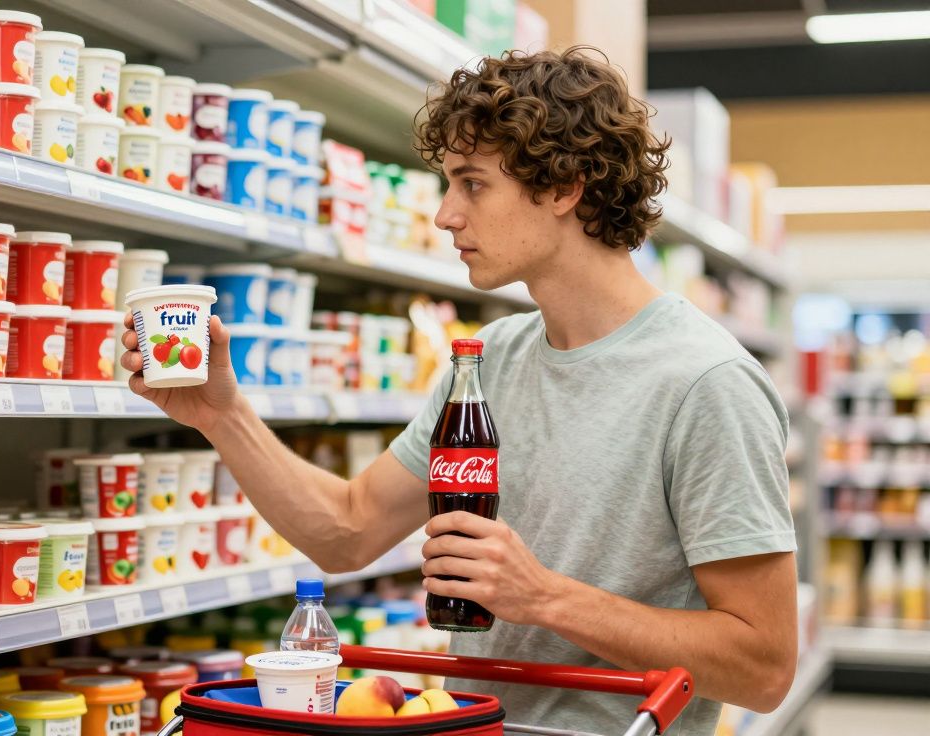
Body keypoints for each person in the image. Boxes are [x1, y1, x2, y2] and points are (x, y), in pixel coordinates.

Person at [120, 46, 796, 735]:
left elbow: (763, 669)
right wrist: (221, 414)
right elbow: (351, 532)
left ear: (564, 187)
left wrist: (544, 598)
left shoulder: (706, 383)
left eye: (471, 184)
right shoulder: (491, 362)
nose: (445, 215)